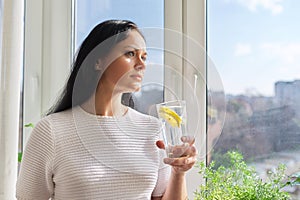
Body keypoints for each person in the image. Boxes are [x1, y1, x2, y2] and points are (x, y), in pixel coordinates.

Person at [16, 19, 197, 200]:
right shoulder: (51, 131)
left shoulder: (152, 129)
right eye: (131, 53)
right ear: (98, 61)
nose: (142, 64)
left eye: (144, 57)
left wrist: (178, 172)